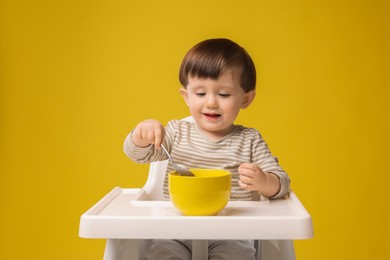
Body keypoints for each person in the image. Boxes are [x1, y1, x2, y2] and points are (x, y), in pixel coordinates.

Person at [123, 38, 290, 260]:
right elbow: (136, 154)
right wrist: (141, 135)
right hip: (176, 231)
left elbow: (282, 183)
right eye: (201, 94)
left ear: (246, 99)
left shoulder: (249, 140)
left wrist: (264, 181)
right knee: (164, 255)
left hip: (232, 233)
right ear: (186, 96)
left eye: (223, 94)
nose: (211, 103)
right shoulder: (175, 132)